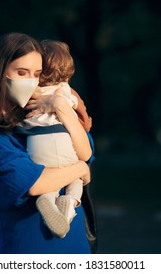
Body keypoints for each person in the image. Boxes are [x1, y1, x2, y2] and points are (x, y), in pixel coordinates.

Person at [0, 32, 94, 254]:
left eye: (37, 74)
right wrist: (80, 168)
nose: (30, 81)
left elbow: (87, 149)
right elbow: (35, 183)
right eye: (21, 72)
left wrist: (61, 106)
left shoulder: (50, 115)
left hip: (76, 248)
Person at [18, 40, 92, 238]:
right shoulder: (66, 92)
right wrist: (83, 119)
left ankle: (48, 199)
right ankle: (70, 203)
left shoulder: (33, 93)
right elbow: (82, 113)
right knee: (74, 175)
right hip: (62, 139)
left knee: (49, 177)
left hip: (36, 143)